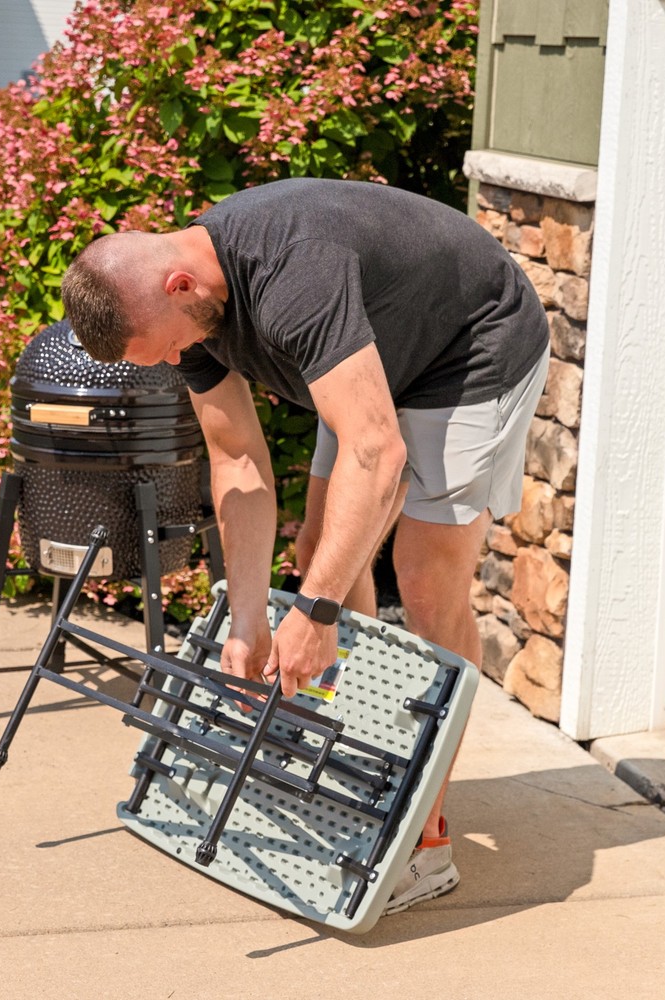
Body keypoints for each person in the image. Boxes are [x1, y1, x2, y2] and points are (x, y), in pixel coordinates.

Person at [61, 177, 549, 913]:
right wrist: (248, 620)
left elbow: (376, 453)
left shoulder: (294, 276)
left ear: (179, 286)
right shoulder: (189, 308)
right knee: (321, 545)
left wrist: (316, 613)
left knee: (422, 580)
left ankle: (425, 839)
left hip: (472, 344)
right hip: (378, 351)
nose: (171, 362)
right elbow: (238, 462)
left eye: (166, 349)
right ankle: (365, 757)